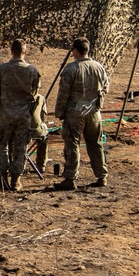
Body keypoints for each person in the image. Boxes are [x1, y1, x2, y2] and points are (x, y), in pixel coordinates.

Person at [53, 37, 110, 190]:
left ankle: (70, 178)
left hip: (75, 113)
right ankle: (101, 175)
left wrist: (59, 111)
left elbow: (63, 93)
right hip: (94, 113)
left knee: (72, 145)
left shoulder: (71, 69)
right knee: (96, 144)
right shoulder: (99, 67)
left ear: (76, 51)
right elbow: (106, 87)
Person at [0, 39, 41, 191]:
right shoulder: (32, 70)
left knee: (1, 146)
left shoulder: (2, 69)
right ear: (25, 51)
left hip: (5, 114)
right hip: (23, 115)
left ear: (11, 51)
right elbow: (35, 93)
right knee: (20, 147)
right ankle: (16, 180)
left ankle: (2, 178)